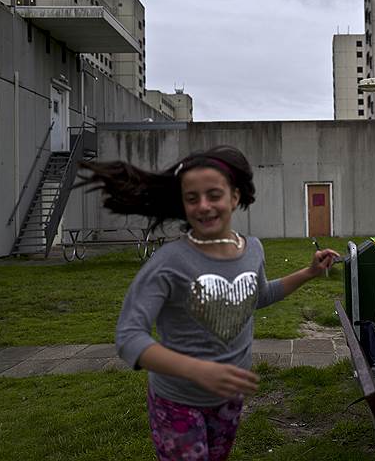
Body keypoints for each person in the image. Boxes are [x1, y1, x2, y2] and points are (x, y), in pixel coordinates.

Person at [78, 145, 338, 460]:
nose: (203, 206)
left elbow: (257, 297)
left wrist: (310, 272)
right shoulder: (168, 262)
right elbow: (129, 336)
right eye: (192, 198)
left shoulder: (252, 249)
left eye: (214, 195)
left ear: (235, 197)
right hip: (177, 399)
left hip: (229, 395)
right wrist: (198, 370)